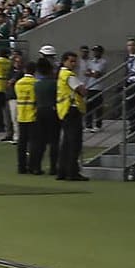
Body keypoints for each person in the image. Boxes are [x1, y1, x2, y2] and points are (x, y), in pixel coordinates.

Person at [54, 50, 86, 181]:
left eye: (75, 61)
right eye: (71, 61)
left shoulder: (60, 74)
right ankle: (72, 172)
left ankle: (62, 171)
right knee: (74, 143)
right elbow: (82, 91)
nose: (74, 64)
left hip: (64, 110)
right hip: (72, 110)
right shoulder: (69, 75)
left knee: (66, 143)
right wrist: (83, 89)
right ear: (64, 61)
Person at [14, 58, 40, 173]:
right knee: (33, 143)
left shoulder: (18, 83)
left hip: (21, 115)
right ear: (35, 71)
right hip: (32, 115)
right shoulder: (36, 83)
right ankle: (32, 166)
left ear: (25, 70)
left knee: (22, 143)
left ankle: (21, 166)